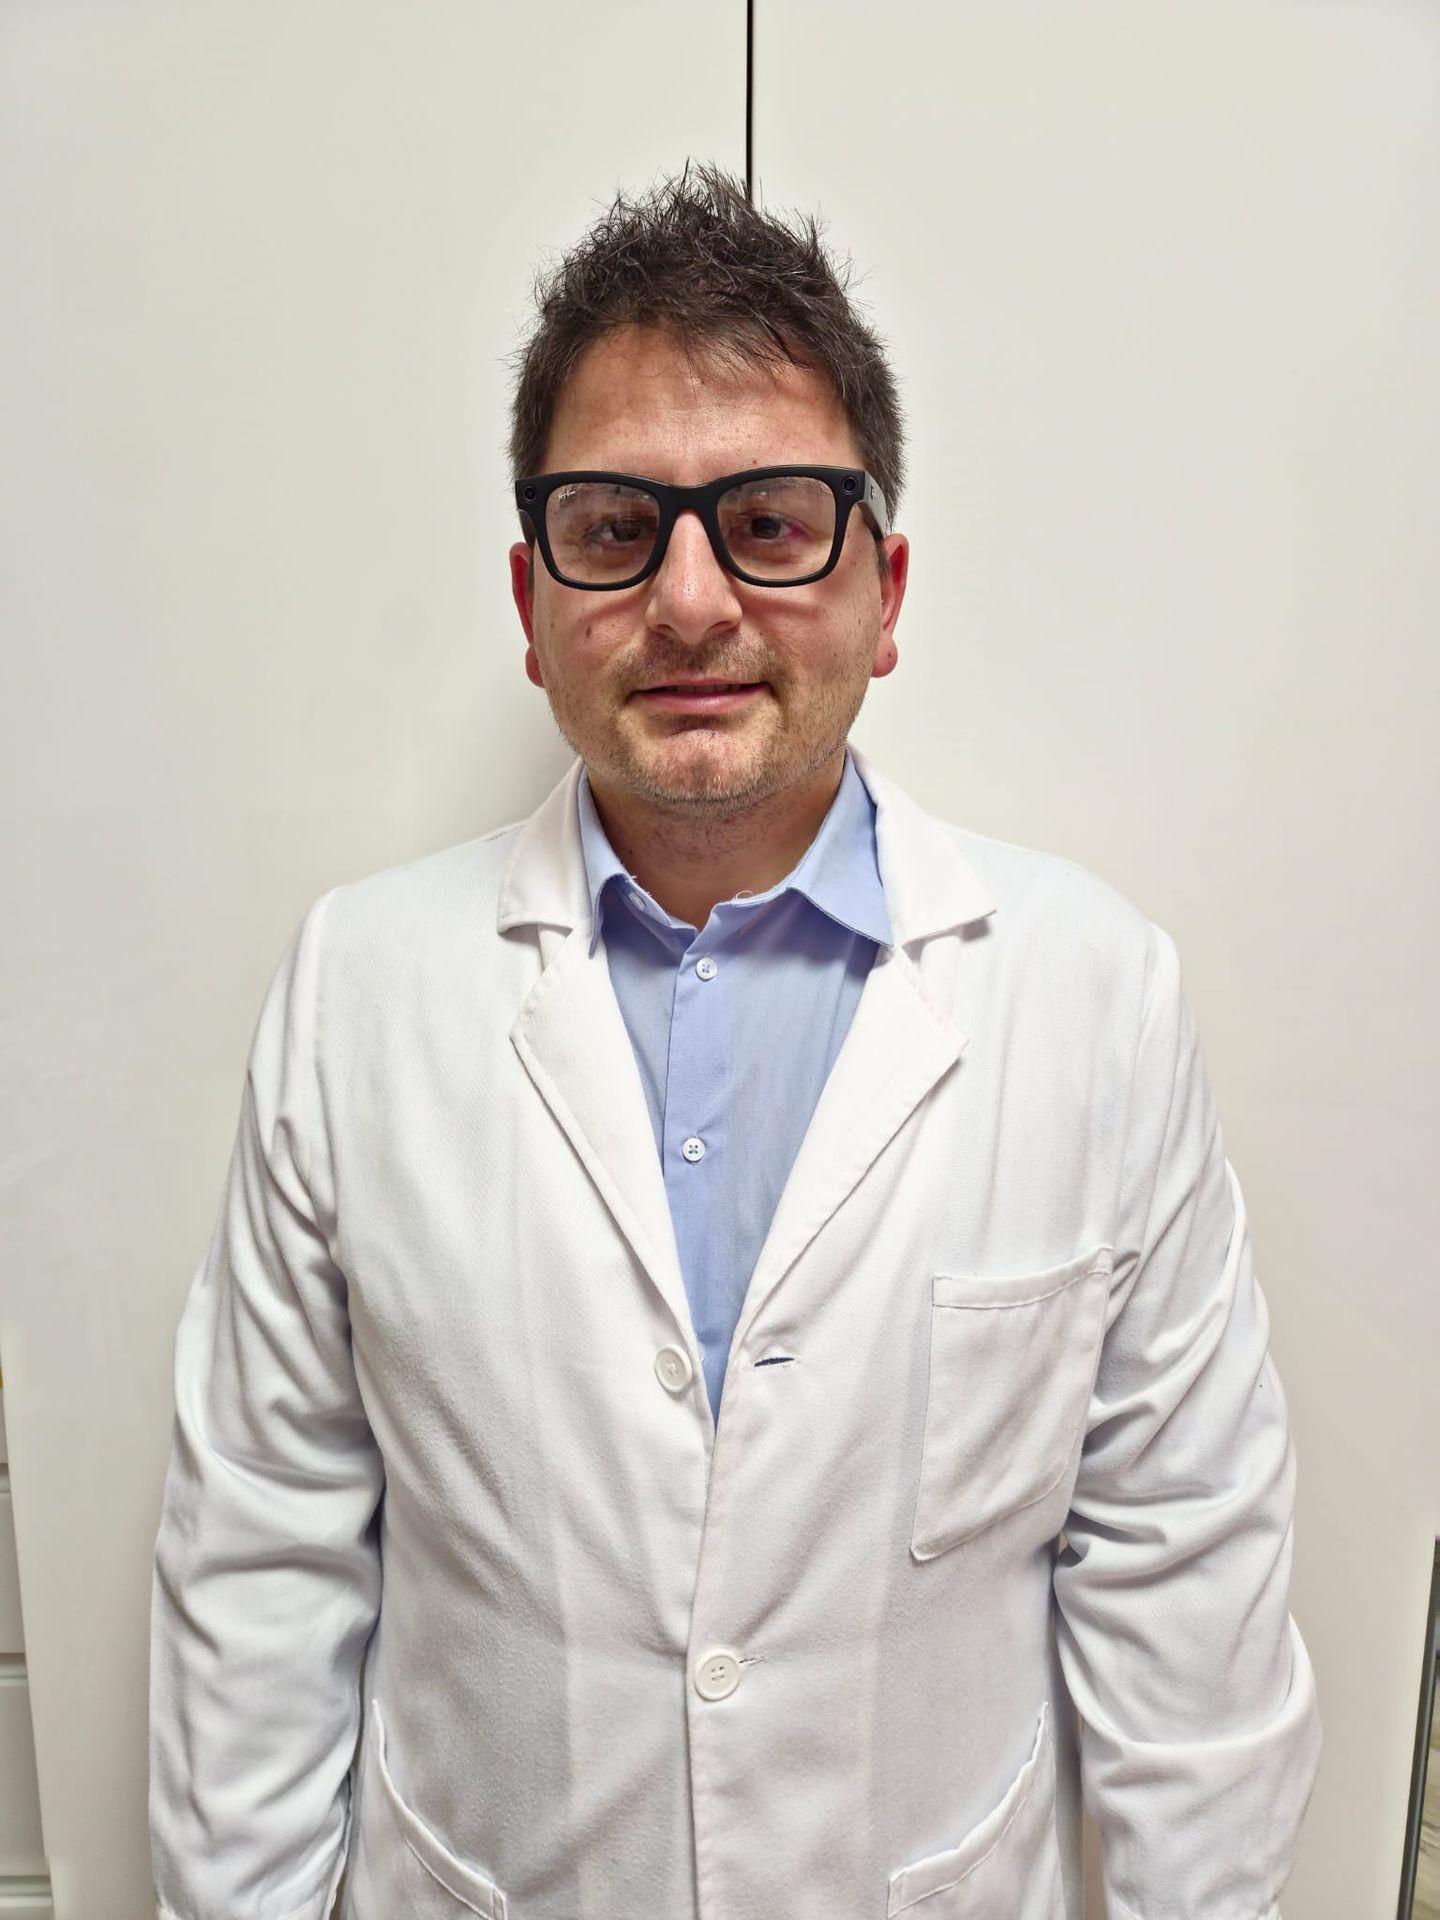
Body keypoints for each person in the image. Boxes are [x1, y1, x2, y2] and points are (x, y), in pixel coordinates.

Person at [149, 160, 1321, 1920]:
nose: (692, 603)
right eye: (616, 527)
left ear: (885, 588)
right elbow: (256, 1581)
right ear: (534, 601)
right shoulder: (357, 991)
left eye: (770, 521)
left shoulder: (1095, 997)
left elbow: (1191, 1618)